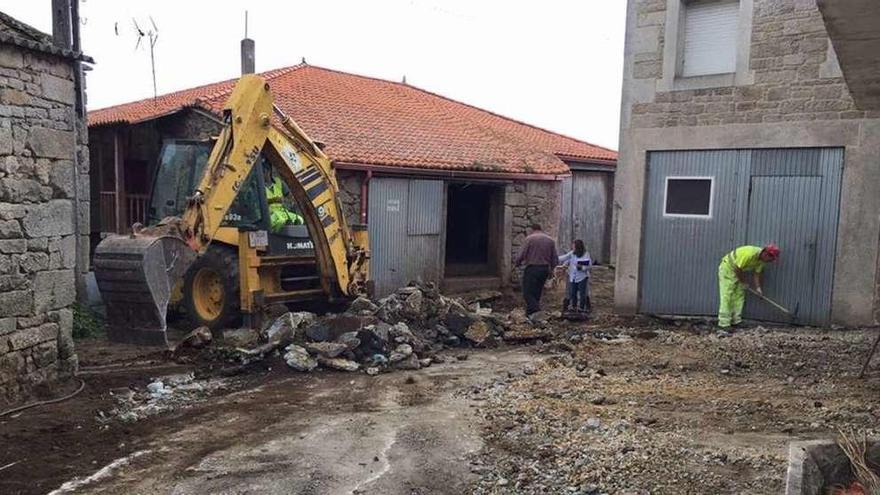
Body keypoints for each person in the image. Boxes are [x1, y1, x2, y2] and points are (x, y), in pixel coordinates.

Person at [717, 243, 780, 329]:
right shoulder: (749, 253)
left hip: (739, 273)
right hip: (728, 269)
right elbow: (737, 268)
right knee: (727, 296)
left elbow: (756, 274)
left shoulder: (762, 261)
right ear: (765, 253)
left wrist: (758, 288)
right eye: (771, 258)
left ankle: (736, 321)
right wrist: (743, 282)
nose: (771, 261)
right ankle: (723, 324)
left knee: (739, 296)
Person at [514, 224, 558, 317]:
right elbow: (555, 258)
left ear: (532, 229)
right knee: (537, 292)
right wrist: (552, 270)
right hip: (545, 269)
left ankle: (537, 311)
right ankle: (531, 314)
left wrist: (517, 263)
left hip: (532, 268)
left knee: (527, 293)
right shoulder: (550, 240)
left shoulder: (530, 239)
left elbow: (522, 254)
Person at [558, 239, 592, 313]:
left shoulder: (586, 254)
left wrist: (582, 268)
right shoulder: (572, 253)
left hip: (582, 277)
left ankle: (582, 308)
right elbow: (563, 257)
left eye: (574, 246)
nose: (572, 247)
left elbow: (589, 265)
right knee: (573, 293)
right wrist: (553, 257)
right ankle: (574, 307)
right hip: (573, 277)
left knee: (582, 293)